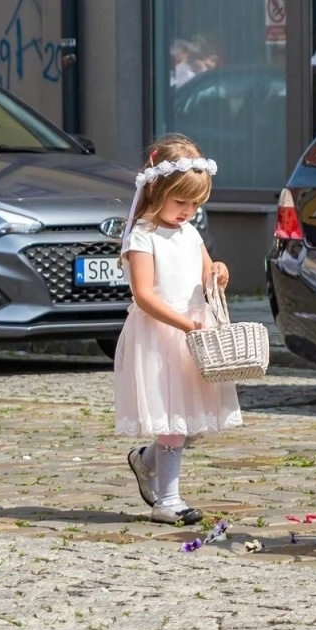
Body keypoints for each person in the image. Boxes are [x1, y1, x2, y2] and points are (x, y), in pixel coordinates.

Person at [116, 135, 241, 526]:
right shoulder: (144, 237)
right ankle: (167, 500)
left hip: (193, 338)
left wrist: (219, 272)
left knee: (192, 423)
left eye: (195, 204)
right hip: (161, 337)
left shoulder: (190, 233)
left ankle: (145, 460)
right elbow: (144, 295)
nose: (188, 211)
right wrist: (185, 323)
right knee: (173, 423)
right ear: (157, 191)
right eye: (181, 202)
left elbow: (208, 273)